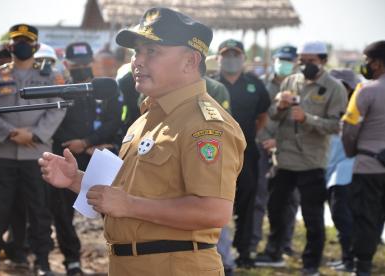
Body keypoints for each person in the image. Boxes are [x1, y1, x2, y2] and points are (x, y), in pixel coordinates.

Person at [39, 7, 246, 276]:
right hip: (128, 264)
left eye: (152, 52)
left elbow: (213, 211)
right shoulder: (146, 119)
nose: (137, 61)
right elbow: (132, 192)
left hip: (174, 267)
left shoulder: (205, 125)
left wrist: (130, 205)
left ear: (190, 61)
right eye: (137, 52)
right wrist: (77, 179)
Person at [0, 24, 66, 276]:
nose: (22, 45)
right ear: (9, 46)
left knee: (39, 210)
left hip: (37, 155)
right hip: (2, 154)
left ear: (36, 46)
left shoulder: (51, 76)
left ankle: (42, 261)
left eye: (27, 41)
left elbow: (59, 107)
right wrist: (11, 133)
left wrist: (35, 134)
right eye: (17, 41)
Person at [255, 41, 347, 276]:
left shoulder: (334, 88)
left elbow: (337, 125)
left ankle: (311, 264)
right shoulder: (290, 81)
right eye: (302, 61)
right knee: (275, 209)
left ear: (323, 61)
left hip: (311, 161)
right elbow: (273, 115)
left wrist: (308, 119)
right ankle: (273, 252)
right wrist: (282, 105)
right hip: (284, 160)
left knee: (312, 217)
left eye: (311, 61)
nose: (305, 65)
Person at [51, 41, 122, 275]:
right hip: (67, 156)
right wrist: (73, 145)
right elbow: (54, 122)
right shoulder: (61, 89)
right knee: (63, 213)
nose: (81, 67)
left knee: (110, 207)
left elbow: (114, 121)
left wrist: (87, 142)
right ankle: (72, 261)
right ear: (67, 64)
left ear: (92, 62)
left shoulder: (106, 89)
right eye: (76, 64)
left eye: (85, 63)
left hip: (98, 156)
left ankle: (119, 254)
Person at [341, 40, 385, 276]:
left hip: (369, 166)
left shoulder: (366, 90)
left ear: (376, 63)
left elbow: (349, 127)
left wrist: (351, 151)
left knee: (365, 219)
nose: (365, 66)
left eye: (367, 61)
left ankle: (362, 268)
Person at [213, 39, 270, 268]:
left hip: (246, 154)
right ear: (218, 58)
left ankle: (244, 251)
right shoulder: (210, 84)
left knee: (247, 202)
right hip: (215, 154)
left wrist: (245, 138)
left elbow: (263, 114)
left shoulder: (254, 84)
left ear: (243, 58)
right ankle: (215, 251)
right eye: (226, 55)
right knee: (215, 200)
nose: (231, 59)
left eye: (236, 55)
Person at [251, 45, 300, 258]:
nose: (284, 64)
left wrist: (278, 142)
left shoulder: (301, 88)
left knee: (289, 200)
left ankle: (284, 243)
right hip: (262, 146)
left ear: (295, 62)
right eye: (281, 59)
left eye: (288, 60)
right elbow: (256, 117)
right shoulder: (262, 86)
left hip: (288, 150)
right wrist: (265, 140)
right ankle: (252, 243)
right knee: (258, 197)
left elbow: (300, 124)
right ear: (274, 61)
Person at [325, 69, 360, 272]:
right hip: (331, 170)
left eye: (341, 86)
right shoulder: (330, 108)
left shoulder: (355, 109)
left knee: (343, 216)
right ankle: (348, 258)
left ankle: (352, 260)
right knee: (339, 217)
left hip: (346, 171)